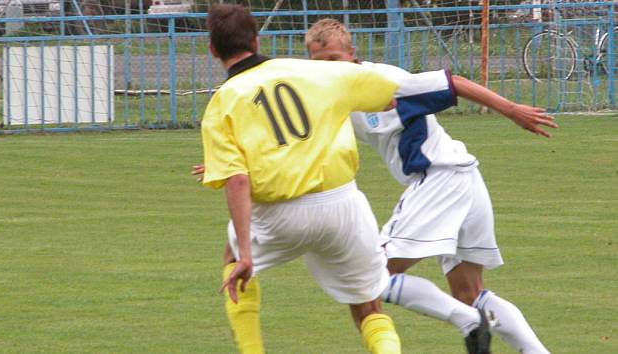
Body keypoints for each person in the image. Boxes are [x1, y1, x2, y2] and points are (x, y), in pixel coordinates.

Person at [304, 18, 556, 354]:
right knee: (471, 292)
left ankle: (468, 320)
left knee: (372, 276)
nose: (328, 68)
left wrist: (511, 110)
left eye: (334, 59)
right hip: (463, 177)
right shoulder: (330, 94)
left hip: (440, 179)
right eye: (319, 62)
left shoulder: (386, 82)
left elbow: (453, 82)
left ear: (352, 54)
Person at [200, 5, 406, 354]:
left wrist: (246, 254)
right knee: (369, 308)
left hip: (279, 213)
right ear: (256, 39)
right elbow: (392, 94)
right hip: (343, 205)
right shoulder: (311, 71)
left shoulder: (223, 103)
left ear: (213, 50)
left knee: (232, 259)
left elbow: (237, 180)